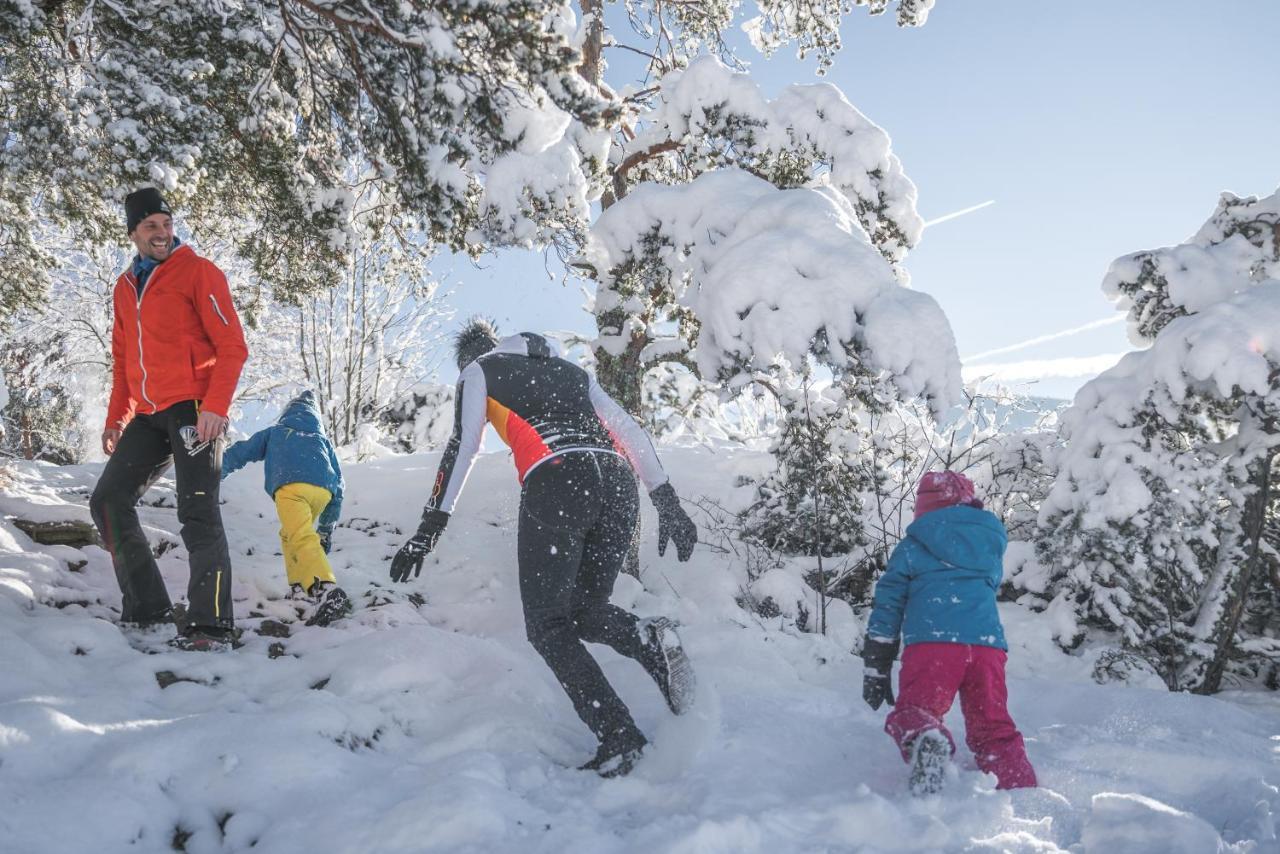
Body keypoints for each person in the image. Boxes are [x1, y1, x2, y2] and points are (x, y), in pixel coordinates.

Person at [390, 320, 700, 777]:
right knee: (588, 610)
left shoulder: (479, 369)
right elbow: (628, 430)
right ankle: (652, 641)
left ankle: (620, 735)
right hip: (617, 485)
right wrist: (666, 499)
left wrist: (430, 527)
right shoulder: (574, 373)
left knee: (548, 626)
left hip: (558, 480)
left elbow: (463, 445)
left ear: (469, 358)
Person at [89, 187, 248, 652]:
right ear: (134, 233)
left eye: (166, 223)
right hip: (148, 412)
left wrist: (216, 406)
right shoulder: (126, 288)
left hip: (195, 407)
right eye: (150, 226)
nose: (161, 233)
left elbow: (233, 346)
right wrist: (116, 419)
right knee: (108, 501)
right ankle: (147, 609)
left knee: (197, 511)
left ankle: (211, 627)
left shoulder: (198, 272)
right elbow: (123, 363)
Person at [861, 471, 1037, 795]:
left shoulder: (914, 545)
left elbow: (889, 602)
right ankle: (1020, 787)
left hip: (934, 642)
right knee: (993, 726)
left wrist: (877, 661)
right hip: (986, 646)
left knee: (918, 712)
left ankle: (927, 740)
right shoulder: (989, 544)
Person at [221, 390, 351, 626]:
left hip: (291, 486)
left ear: (287, 413)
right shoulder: (321, 440)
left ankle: (325, 587)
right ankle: (301, 588)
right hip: (323, 492)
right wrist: (326, 528)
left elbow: (241, 452)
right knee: (291, 533)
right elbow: (340, 484)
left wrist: (216, 471)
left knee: (300, 534)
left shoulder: (276, 432)